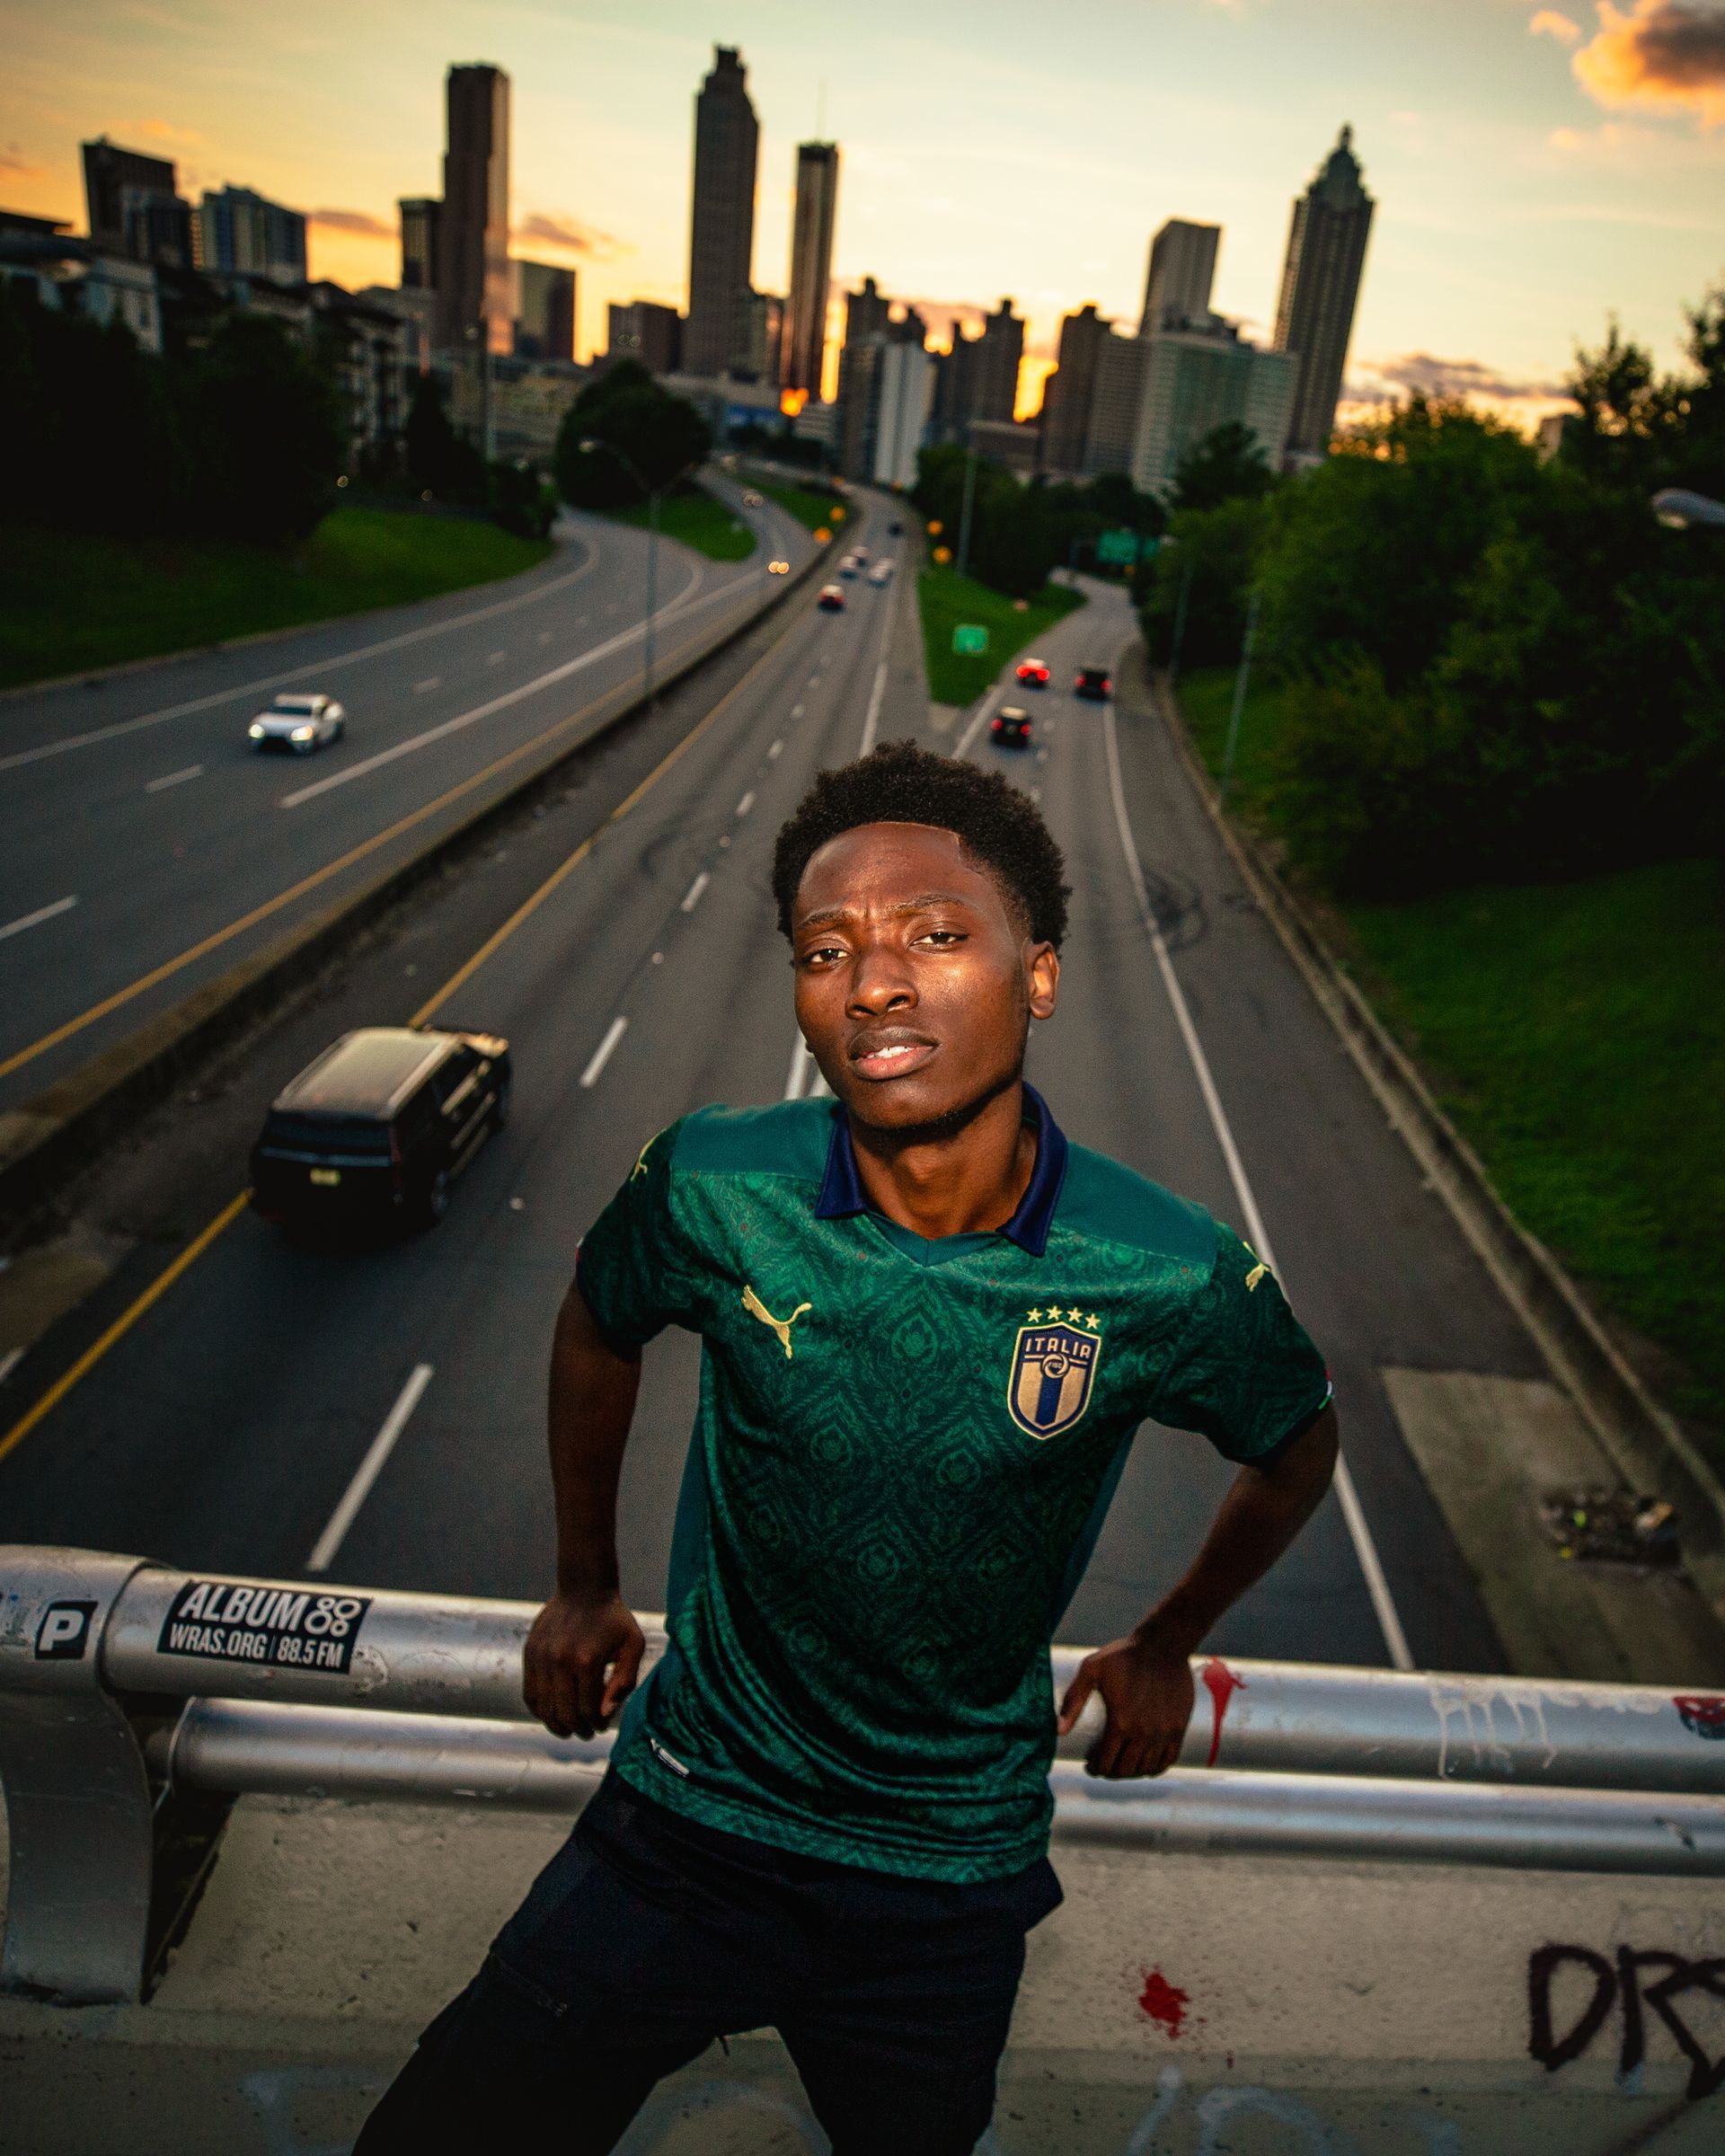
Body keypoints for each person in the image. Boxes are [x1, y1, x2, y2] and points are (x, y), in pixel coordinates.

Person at [356, 741, 1339, 2154]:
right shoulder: (715, 1184)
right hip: (688, 1818)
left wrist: (1172, 1636)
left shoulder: (1166, 1275)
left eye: (937, 937)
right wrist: (584, 1579)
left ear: (1040, 974)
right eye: (829, 949)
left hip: (943, 1879)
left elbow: (1299, 1443)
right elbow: (597, 1322)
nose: (875, 981)